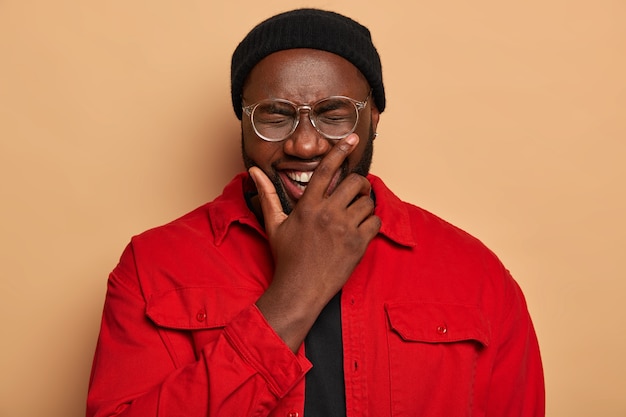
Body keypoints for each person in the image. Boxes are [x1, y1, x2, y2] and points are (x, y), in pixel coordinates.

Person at [87, 8, 544, 417]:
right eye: (274, 115)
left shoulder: (476, 275)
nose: (304, 144)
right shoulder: (151, 268)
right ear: (243, 122)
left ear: (375, 119)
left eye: (334, 114)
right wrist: (294, 294)